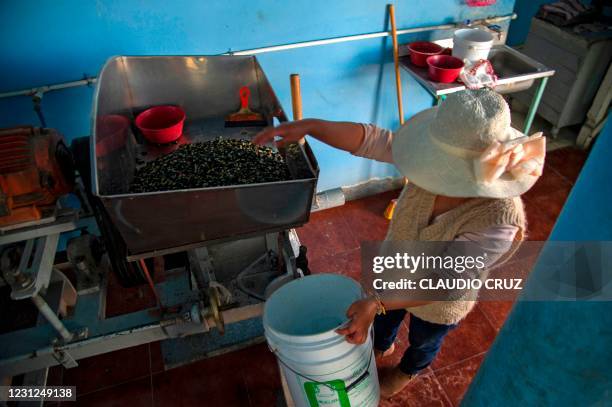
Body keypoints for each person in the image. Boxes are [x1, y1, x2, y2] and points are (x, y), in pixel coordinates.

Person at [253, 89, 546, 399]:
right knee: (382, 320)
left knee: (424, 338)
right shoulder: (428, 163)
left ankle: (409, 369)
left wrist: (376, 303)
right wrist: (312, 126)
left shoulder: (498, 219)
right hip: (394, 273)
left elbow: (447, 282)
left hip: (439, 300)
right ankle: (381, 343)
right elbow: (374, 141)